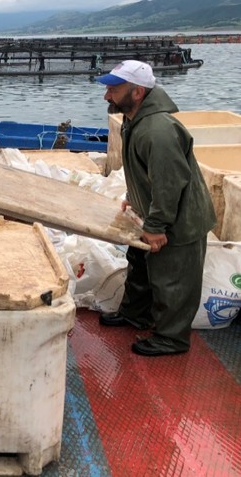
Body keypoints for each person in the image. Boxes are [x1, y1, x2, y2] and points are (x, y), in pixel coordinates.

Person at [95, 60, 216, 357]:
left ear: (137, 92)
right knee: (140, 267)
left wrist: (157, 227)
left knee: (171, 280)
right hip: (150, 211)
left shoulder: (158, 130)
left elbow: (169, 182)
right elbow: (143, 171)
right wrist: (133, 198)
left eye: (114, 89)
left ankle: (171, 339)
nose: (107, 96)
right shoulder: (134, 119)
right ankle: (137, 315)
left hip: (178, 220)